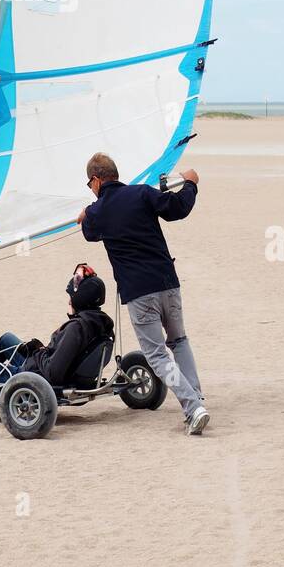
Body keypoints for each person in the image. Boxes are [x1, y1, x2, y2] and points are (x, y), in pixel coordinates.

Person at [78, 151, 210, 435]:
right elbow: (178, 209)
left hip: (140, 293)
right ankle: (196, 398)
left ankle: (193, 406)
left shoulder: (98, 212)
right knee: (179, 340)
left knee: (158, 356)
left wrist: (87, 213)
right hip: (167, 282)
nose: (91, 190)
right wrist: (191, 184)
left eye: (89, 186)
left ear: (96, 180)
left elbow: (88, 232)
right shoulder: (141, 194)